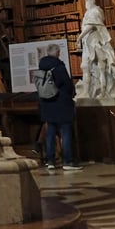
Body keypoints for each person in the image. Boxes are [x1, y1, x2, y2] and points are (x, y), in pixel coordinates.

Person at [37, 43, 82, 171]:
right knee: (65, 131)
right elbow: (67, 85)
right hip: (61, 103)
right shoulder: (59, 66)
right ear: (57, 53)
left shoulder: (41, 67)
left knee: (50, 132)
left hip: (47, 103)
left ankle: (50, 161)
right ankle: (67, 161)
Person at [76, 0, 115, 101]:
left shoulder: (96, 11)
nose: (86, 1)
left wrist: (80, 37)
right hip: (87, 44)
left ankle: (103, 92)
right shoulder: (87, 13)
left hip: (96, 43)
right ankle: (86, 92)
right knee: (85, 67)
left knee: (101, 69)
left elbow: (91, 26)